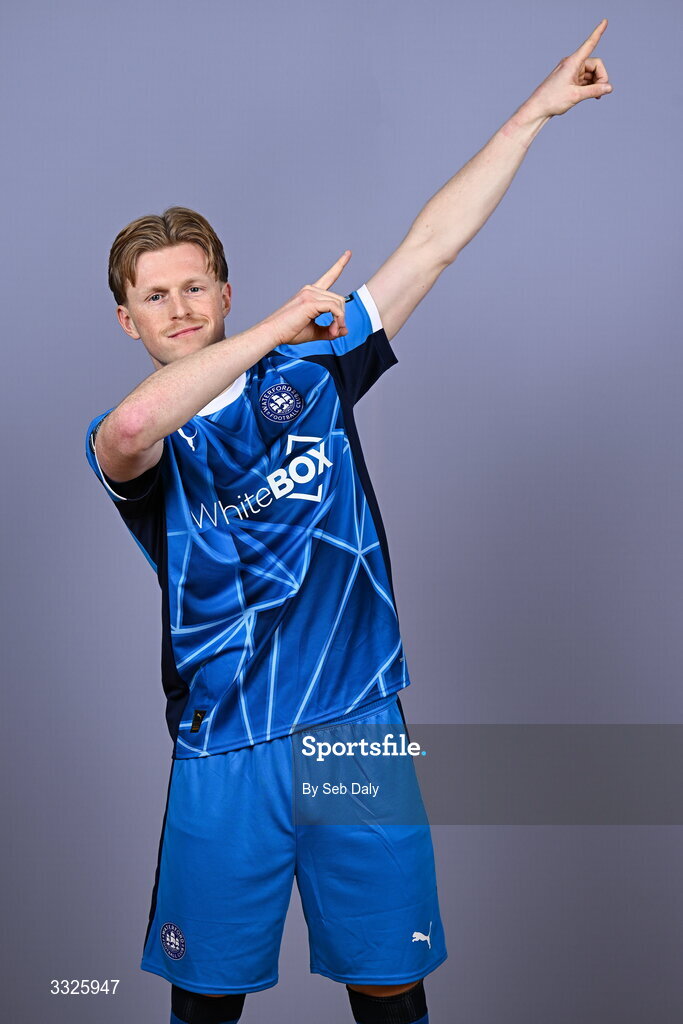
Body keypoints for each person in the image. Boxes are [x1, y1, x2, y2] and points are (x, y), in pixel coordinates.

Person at [84, 20, 611, 1024]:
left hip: (354, 727)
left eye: (197, 285)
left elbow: (432, 247)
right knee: (206, 1002)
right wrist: (277, 328)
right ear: (128, 320)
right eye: (156, 296)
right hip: (227, 743)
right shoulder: (137, 446)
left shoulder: (312, 371)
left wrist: (531, 114)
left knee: (388, 985)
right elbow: (136, 420)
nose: (181, 306)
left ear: (224, 288)